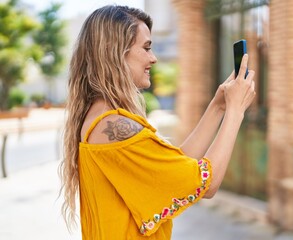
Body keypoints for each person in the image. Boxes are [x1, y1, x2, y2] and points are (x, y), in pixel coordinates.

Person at [60, 4, 255, 240]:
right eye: (146, 48)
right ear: (115, 52)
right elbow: (206, 182)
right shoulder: (112, 127)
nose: (153, 58)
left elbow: (179, 164)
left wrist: (219, 106)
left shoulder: (101, 118)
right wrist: (236, 112)